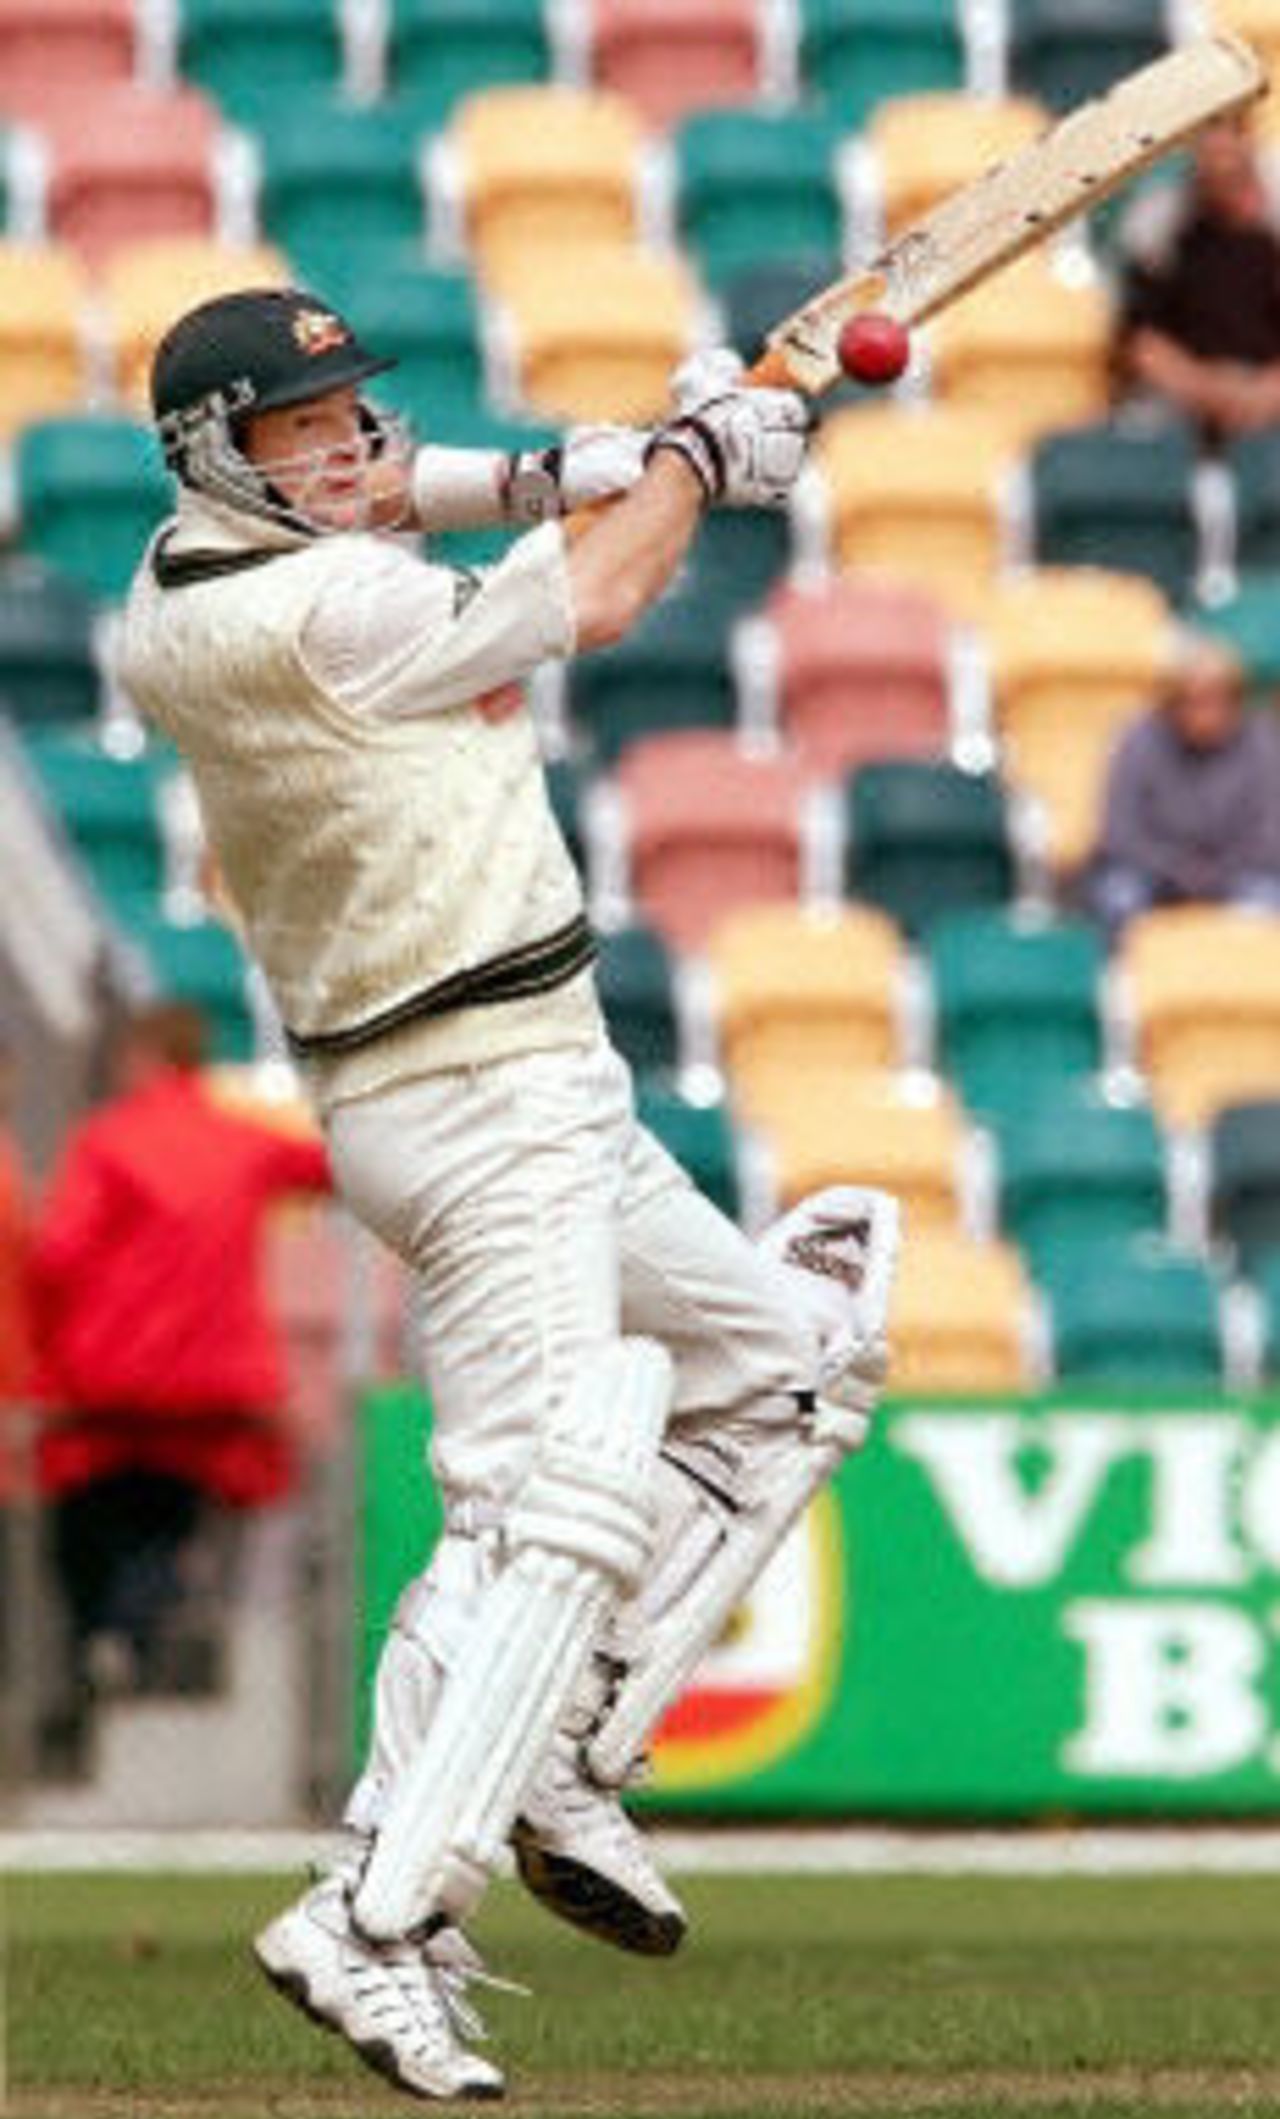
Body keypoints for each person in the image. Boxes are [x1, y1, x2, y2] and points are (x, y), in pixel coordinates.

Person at [117, 285, 900, 2102]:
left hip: (511, 1076)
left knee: (791, 1359)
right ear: (219, 461)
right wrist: (695, 460)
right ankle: (376, 1912)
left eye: (347, 418)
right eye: (299, 433)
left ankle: (558, 1744)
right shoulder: (320, 610)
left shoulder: (182, 576)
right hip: (475, 1098)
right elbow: (606, 595)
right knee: (541, 1502)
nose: (353, 451)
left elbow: (433, 496)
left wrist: (587, 460)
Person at [31, 1000, 330, 1691]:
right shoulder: (240, 1140)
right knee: (171, 1519)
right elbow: (335, 1165)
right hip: (214, 1390)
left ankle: (108, 1633)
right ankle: (142, 1620)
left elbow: (57, 1254)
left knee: (89, 1516)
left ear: (141, 1057)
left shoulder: (107, 1140)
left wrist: (49, 1355)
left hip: (108, 1386)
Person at [1086, 631, 1280, 942]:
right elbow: (1120, 834)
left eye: (1216, 699)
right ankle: (1127, 988)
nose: (1204, 714)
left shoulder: (1264, 743)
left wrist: (1218, 875)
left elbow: (1270, 836)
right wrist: (1176, 871)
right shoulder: (1137, 739)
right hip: (1154, 876)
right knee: (1118, 897)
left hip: (1237, 874)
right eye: (1192, 701)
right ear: (1171, 703)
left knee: (1267, 901)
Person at [1113, 114, 1280, 445]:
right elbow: (1142, 341)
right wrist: (1210, 392)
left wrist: (1263, 395)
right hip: (1179, 405)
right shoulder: (1159, 223)